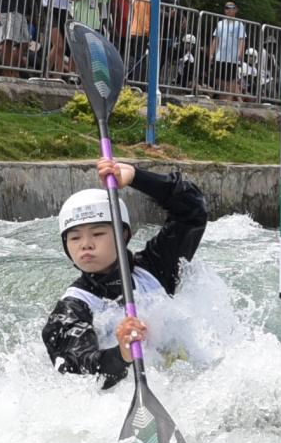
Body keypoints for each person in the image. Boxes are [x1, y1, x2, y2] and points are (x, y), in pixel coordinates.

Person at [38, 158, 208, 387]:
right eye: (75, 237)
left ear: (124, 234)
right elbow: (77, 371)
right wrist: (121, 355)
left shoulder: (156, 268)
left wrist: (136, 177)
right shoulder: (74, 306)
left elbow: (192, 210)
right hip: (122, 397)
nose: (85, 245)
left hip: (188, 385)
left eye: (98, 234)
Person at [212, 1, 247, 95]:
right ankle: (225, 97)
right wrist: (211, 53)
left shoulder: (239, 24)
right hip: (220, 56)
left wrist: (240, 53)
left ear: (236, 10)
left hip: (232, 58)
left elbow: (242, 40)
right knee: (218, 79)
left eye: (231, 7)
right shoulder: (220, 23)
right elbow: (216, 39)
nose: (228, 10)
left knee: (230, 81)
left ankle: (230, 99)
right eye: (226, 7)